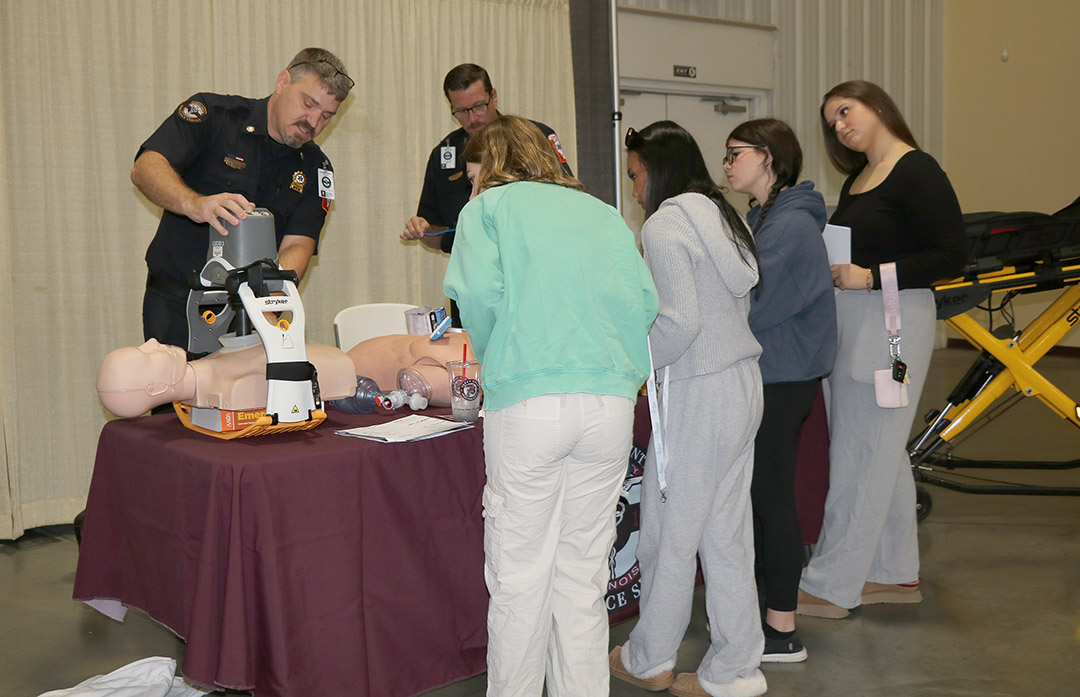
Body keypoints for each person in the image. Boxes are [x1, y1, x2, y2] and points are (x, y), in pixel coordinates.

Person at [443, 115, 657, 697]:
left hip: (529, 402)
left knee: (518, 577)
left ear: (492, 165)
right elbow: (645, 302)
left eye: (472, 173)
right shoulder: (603, 213)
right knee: (583, 574)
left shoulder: (487, 211)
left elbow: (479, 297)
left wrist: (497, 360)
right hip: (610, 404)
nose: (470, 186)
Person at [797, 81, 965, 619]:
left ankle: (832, 584)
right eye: (832, 121)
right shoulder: (857, 179)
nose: (840, 126)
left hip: (892, 316)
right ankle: (894, 574)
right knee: (876, 449)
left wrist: (871, 277)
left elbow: (950, 256)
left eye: (846, 111)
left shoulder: (918, 171)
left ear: (878, 106)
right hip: (854, 318)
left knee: (862, 454)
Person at [611, 121, 766, 697]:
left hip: (699, 390)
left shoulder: (665, 226)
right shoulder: (724, 217)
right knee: (725, 533)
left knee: (669, 533)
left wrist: (632, 361)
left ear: (655, 169)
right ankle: (736, 667)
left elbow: (678, 322)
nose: (632, 188)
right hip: (741, 385)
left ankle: (650, 658)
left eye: (634, 174)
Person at [133, 48, 353, 353]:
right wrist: (194, 204)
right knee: (174, 399)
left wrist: (267, 301)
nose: (313, 122)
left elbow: (298, 244)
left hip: (251, 316)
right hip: (176, 306)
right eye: (308, 103)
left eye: (326, 115)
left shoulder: (316, 168)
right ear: (282, 82)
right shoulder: (214, 116)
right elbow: (147, 166)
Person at [722, 118, 837, 662]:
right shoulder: (764, 217)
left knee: (771, 495)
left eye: (734, 153)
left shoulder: (789, 225)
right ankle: (769, 615)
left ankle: (781, 630)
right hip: (773, 371)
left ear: (768, 156)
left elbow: (755, 299)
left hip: (784, 375)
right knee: (761, 496)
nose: (727, 165)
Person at [401, 63, 569, 326]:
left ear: (494, 96)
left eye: (479, 106)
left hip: (531, 282)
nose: (473, 118)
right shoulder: (445, 154)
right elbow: (435, 232)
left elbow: (565, 199)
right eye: (461, 111)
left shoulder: (534, 138)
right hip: (472, 285)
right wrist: (423, 229)